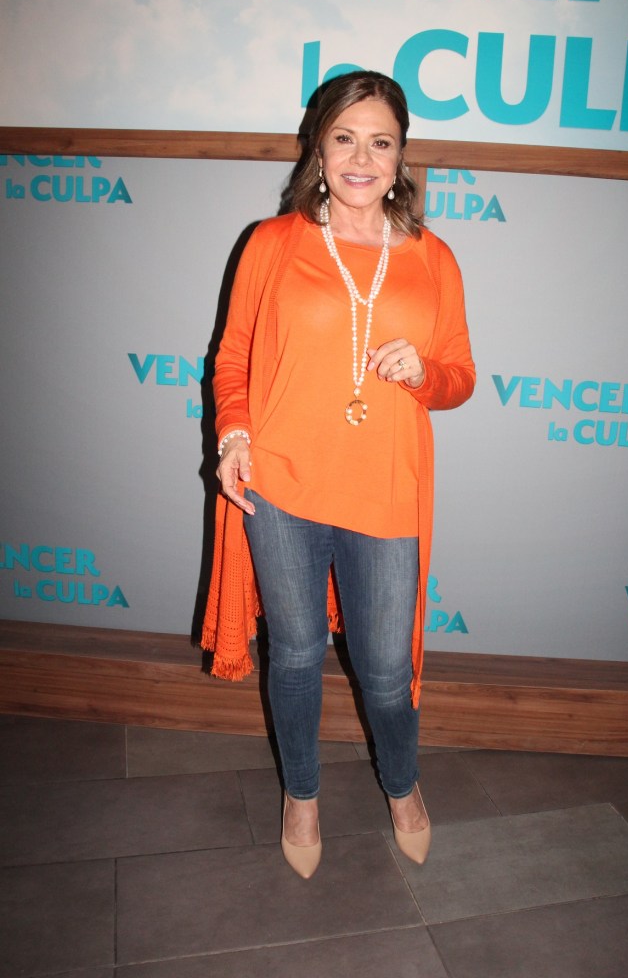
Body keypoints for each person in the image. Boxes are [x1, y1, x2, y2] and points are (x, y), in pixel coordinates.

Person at [201, 70, 475, 878]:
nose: (362, 158)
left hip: (384, 488)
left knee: (386, 673)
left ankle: (401, 785)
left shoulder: (432, 257)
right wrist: (233, 434)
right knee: (294, 655)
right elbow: (232, 358)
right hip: (282, 484)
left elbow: (459, 378)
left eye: (380, 142)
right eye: (344, 139)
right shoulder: (271, 242)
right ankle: (302, 794)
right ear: (317, 150)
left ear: (400, 156)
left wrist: (424, 373)